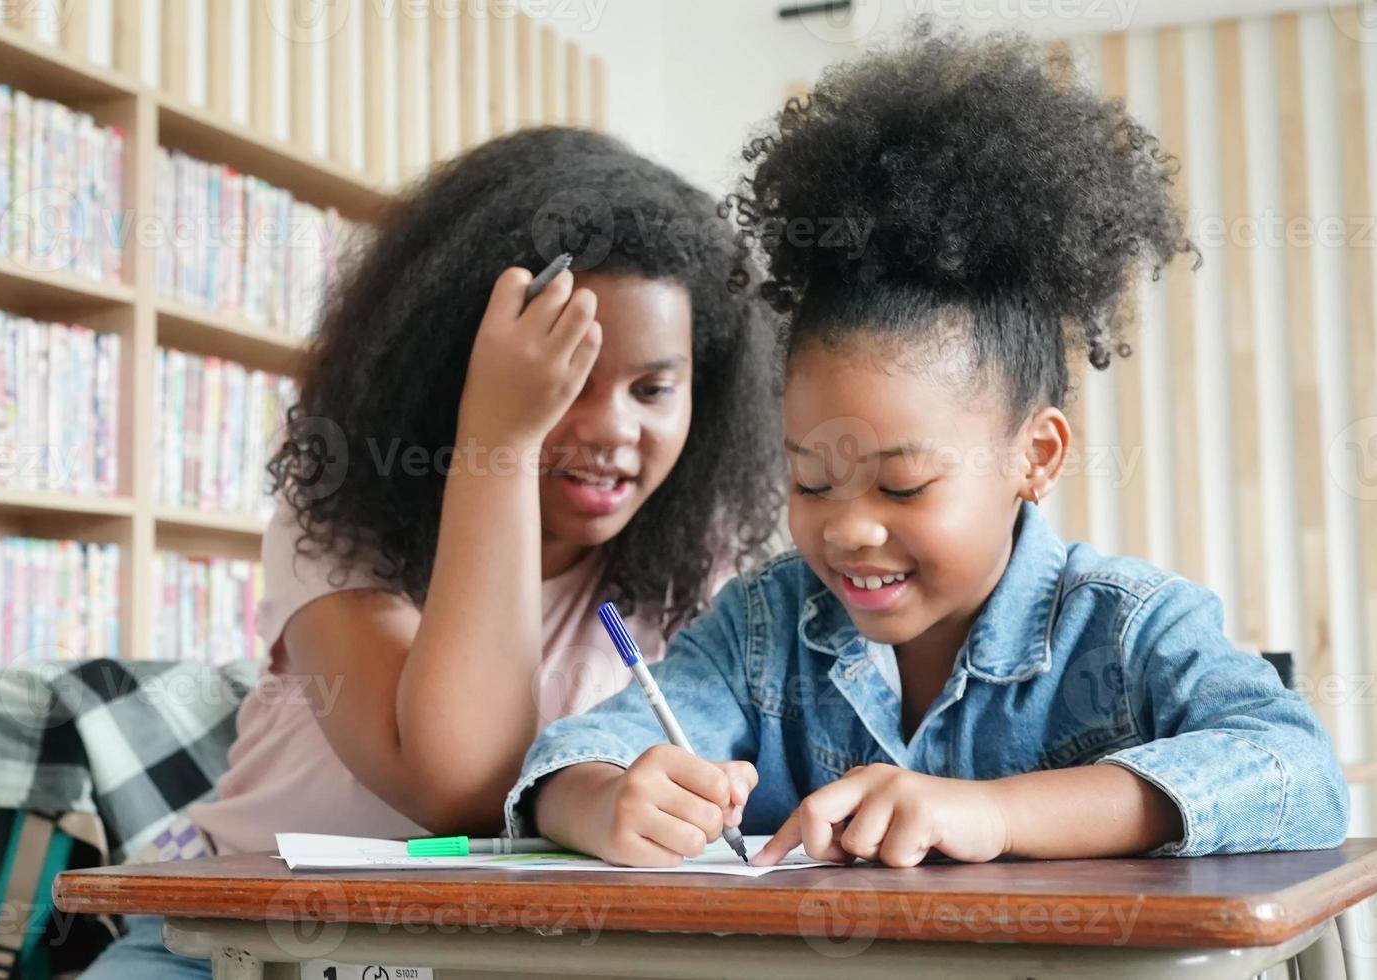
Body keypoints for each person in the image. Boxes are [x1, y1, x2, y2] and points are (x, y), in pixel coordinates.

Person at [508, 27, 1350, 869]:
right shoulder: (764, 628)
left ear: (1038, 456)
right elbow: (575, 757)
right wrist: (605, 797)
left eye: (903, 487)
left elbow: (1298, 771)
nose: (848, 531)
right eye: (810, 480)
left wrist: (1000, 816)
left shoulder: (1126, 628)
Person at [79, 126, 782, 978]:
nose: (611, 429)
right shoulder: (342, 520)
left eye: (653, 389)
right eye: (565, 382)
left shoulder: (693, 566)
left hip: (490, 958)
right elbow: (459, 781)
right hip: (241, 940)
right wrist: (499, 440)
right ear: (463, 372)